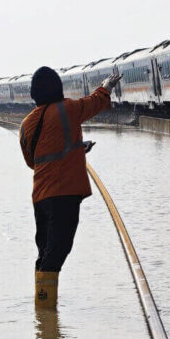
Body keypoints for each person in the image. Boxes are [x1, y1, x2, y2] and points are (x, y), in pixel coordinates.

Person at [19, 66, 122, 309]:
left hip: (40, 197)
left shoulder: (26, 124)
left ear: (34, 93)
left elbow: (33, 161)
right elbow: (95, 102)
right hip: (64, 195)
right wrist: (107, 86)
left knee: (45, 250)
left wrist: (76, 150)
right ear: (58, 88)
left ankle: (43, 312)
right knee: (58, 249)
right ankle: (46, 308)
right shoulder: (68, 109)